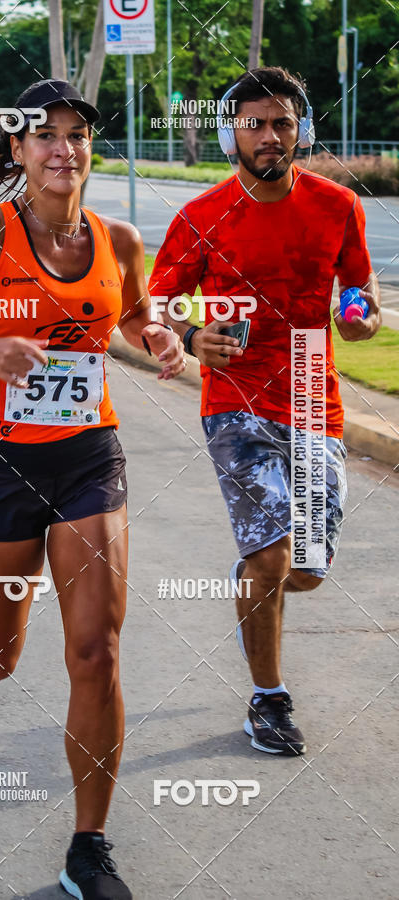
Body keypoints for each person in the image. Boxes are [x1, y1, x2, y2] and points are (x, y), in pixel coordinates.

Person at [0, 79, 184, 899]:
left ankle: (89, 847)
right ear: (17, 151)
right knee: (1, 652)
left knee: (97, 650)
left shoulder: (117, 237)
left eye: (77, 135)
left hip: (90, 457)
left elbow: (132, 311)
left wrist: (152, 331)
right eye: (44, 136)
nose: (63, 149)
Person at [149, 67, 381, 756]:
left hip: (315, 395)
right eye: (254, 123)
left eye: (282, 122)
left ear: (301, 131)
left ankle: (258, 572)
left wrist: (362, 317)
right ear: (231, 134)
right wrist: (191, 338)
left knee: (305, 567)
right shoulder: (202, 215)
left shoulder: (340, 206)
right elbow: (153, 308)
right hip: (236, 404)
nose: (270, 135)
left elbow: (359, 296)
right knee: (274, 553)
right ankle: (268, 700)